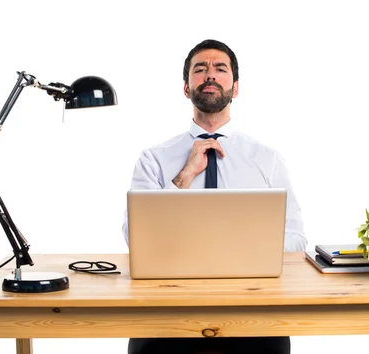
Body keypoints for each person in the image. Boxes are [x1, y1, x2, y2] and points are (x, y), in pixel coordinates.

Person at [123, 39, 307, 354]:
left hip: (253, 312)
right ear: (186, 88)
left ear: (235, 88)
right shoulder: (154, 159)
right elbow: (136, 238)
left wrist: (236, 251)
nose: (210, 75)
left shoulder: (267, 159)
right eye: (200, 69)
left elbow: (296, 239)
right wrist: (184, 176)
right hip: (167, 310)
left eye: (220, 69)